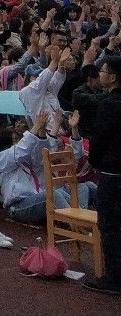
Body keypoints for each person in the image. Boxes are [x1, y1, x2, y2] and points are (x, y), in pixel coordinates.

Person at [83, 53, 121, 295]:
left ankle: (114, 278)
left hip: (112, 172)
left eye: (104, 70)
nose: (101, 74)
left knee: (109, 225)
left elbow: (99, 138)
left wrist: (94, 161)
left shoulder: (109, 104)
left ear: (114, 77)